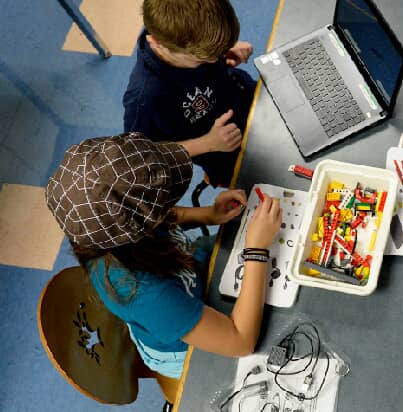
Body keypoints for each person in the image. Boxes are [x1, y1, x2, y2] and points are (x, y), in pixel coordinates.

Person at [45, 133, 281, 379]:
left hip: (188, 278)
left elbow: (161, 214)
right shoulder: (144, 293)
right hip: (187, 350)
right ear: (138, 231)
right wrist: (257, 250)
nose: (164, 208)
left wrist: (208, 215)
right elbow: (241, 341)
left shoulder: (102, 229)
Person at [124, 0, 257, 188]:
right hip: (227, 151)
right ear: (156, 43)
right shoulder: (145, 99)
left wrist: (224, 47)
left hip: (249, 98)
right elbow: (141, 158)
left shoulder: (185, 35)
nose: (214, 60)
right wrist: (207, 143)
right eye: (203, 59)